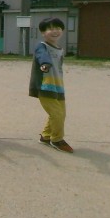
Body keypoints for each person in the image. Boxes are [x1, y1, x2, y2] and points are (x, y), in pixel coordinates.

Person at [29, 17, 73, 153]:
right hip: (45, 86)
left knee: (60, 113)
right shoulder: (41, 46)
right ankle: (57, 140)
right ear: (43, 32)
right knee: (57, 114)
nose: (55, 31)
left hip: (58, 86)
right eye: (51, 29)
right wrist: (45, 64)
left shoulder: (60, 49)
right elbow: (42, 56)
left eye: (58, 28)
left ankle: (46, 136)